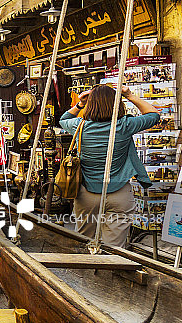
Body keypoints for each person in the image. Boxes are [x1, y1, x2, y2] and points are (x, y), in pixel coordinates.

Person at [59, 84, 159, 247]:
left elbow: (63, 119)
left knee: (85, 243)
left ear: (90, 104)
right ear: (117, 104)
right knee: (113, 249)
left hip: (87, 195)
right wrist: (129, 95)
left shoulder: (79, 125)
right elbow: (154, 115)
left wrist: (80, 104)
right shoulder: (125, 125)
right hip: (119, 193)